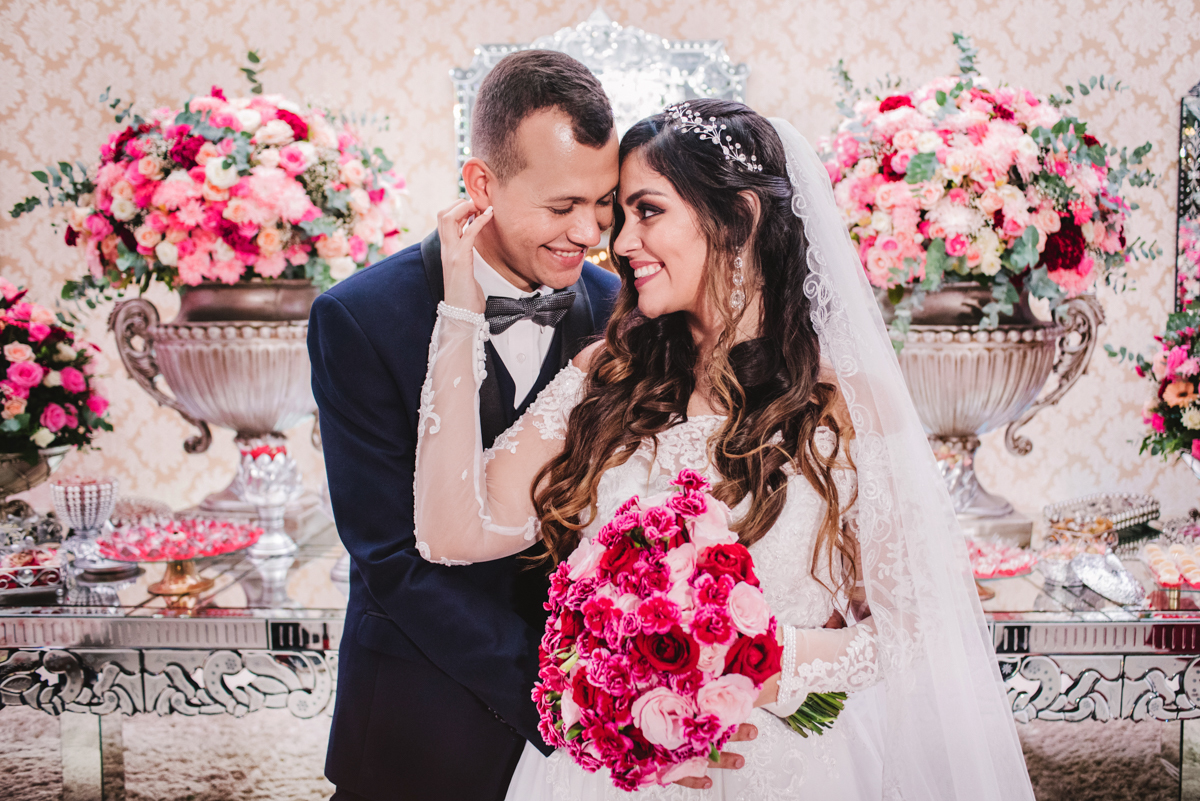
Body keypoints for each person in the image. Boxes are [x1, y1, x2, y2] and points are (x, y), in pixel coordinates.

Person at [412, 99, 1036, 800]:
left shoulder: (848, 401)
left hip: (789, 769)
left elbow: (915, 628)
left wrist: (767, 661)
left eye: (647, 211)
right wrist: (459, 308)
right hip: (609, 777)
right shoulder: (604, 378)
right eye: (623, 216)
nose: (618, 242)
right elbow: (450, 532)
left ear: (737, 217)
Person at [308, 50, 623, 801]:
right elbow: (391, 555)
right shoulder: (358, 318)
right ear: (481, 183)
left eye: (604, 202)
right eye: (561, 206)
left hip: (597, 736)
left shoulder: (621, 311)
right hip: (421, 726)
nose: (588, 232)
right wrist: (553, 692)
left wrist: (618, 687)